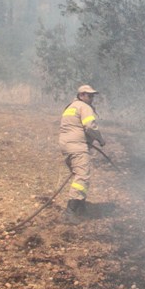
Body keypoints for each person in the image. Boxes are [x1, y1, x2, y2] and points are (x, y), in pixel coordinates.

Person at [58, 84, 106, 224]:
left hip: (66, 145)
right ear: (81, 95)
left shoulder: (70, 107)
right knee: (82, 177)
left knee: (79, 174)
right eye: (88, 95)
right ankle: (70, 212)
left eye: (92, 96)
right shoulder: (84, 107)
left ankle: (81, 208)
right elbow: (90, 126)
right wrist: (100, 139)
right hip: (77, 146)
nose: (91, 98)